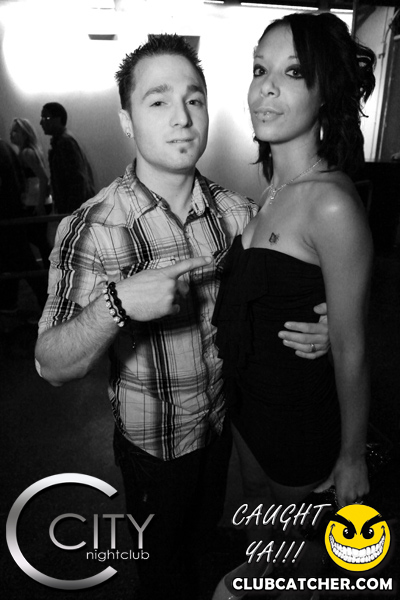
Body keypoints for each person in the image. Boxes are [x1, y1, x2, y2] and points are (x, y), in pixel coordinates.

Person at [34, 35, 330, 600]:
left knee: (203, 547)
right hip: (153, 451)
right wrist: (118, 304)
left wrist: (328, 326)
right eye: (158, 101)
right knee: (161, 571)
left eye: (194, 99)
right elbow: (50, 365)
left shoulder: (238, 214)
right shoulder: (91, 227)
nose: (182, 118)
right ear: (126, 120)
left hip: (222, 432)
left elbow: (290, 299)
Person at [212, 12, 375, 599]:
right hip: (249, 412)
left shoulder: (330, 203)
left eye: (293, 73)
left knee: (285, 568)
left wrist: (352, 457)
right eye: (260, 70)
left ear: (324, 91)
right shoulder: (272, 191)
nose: (266, 87)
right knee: (261, 544)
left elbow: (353, 350)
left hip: (298, 422)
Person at [0, 137, 48, 313]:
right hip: (13, 212)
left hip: (6, 215)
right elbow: (21, 180)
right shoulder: (6, 148)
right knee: (16, 260)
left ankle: (46, 305)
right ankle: (9, 301)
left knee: (23, 261)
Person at [10, 118, 53, 269]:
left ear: (25, 133)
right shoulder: (28, 151)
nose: (12, 134)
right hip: (37, 200)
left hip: (35, 202)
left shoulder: (27, 153)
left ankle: (50, 270)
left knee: (37, 239)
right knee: (39, 239)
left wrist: (39, 204)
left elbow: (43, 177)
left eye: (16, 131)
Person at [40, 102, 95, 214]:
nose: (41, 122)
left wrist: (71, 212)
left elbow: (77, 180)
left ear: (58, 119)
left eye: (46, 118)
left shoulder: (65, 143)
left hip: (73, 209)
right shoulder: (65, 140)